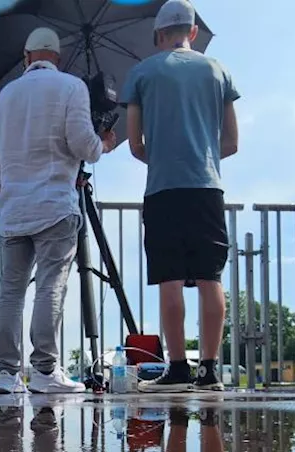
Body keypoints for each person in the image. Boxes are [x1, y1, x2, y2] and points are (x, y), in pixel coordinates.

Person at [0, 27, 117, 395]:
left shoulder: (5, 97)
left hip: (13, 209)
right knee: (50, 286)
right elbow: (82, 145)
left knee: (10, 292)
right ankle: (44, 370)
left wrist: (11, 188)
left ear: (27, 57)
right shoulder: (71, 87)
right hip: (56, 206)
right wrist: (103, 143)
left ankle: (8, 376)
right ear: (56, 57)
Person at [122, 0, 240, 393]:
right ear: (192, 33)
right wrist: (202, 154)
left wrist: (163, 157)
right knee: (211, 277)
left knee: (169, 279)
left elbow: (135, 144)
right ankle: (208, 371)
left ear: (159, 36)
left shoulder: (141, 73)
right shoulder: (217, 69)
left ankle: (176, 368)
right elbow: (232, 142)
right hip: (207, 186)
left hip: (163, 188)